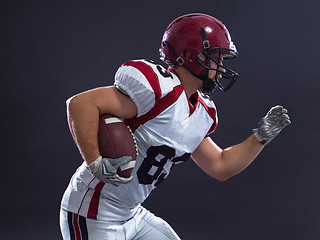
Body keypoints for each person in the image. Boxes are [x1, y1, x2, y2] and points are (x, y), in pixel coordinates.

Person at [60, 13, 291, 240]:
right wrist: (94, 161)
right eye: (217, 58)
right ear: (191, 55)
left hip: (131, 214)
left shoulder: (202, 111)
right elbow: (80, 104)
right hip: (92, 211)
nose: (221, 68)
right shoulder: (158, 89)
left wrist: (260, 137)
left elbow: (220, 166)